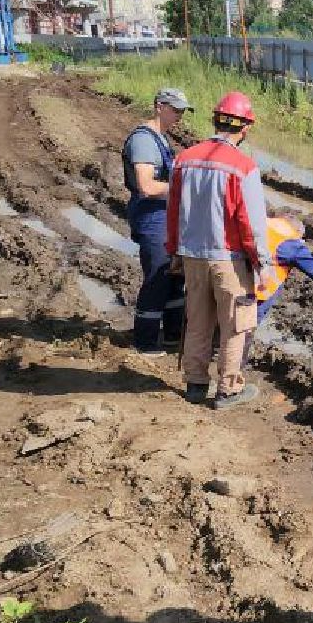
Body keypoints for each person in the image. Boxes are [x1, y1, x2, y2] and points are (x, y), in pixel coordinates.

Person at [165, 91, 277, 410]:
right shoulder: (243, 166)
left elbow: (173, 212)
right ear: (245, 129)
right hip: (228, 260)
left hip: (191, 257)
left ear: (215, 120)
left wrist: (174, 250)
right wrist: (262, 265)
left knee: (197, 320)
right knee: (234, 325)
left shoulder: (184, 159)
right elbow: (251, 224)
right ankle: (228, 390)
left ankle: (196, 384)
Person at [122, 87, 190, 353]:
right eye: (176, 110)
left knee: (175, 278)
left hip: (166, 217)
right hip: (152, 217)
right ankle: (145, 341)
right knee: (158, 277)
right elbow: (146, 186)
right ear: (159, 106)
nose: (180, 116)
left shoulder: (161, 139)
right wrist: (187, 189)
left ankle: (173, 336)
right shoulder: (143, 140)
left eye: (183, 111)